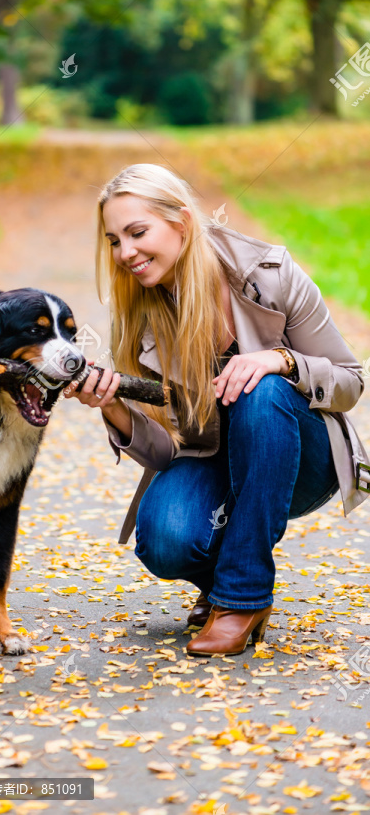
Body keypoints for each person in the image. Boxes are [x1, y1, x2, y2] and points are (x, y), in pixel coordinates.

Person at [64, 163, 370, 656]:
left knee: (263, 389)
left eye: (138, 232)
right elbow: (166, 451)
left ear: (182, 222)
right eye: (114, 240)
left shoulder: (269, 274)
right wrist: (116, 409)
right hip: (215, 460)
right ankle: (226, 578)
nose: (125, 253)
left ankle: (241, 597)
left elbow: (350, 382)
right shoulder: (140, 313)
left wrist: (280, 359)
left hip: (301, 459)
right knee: (164, 540)